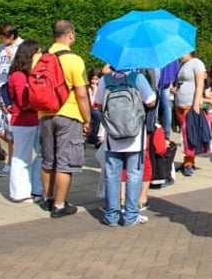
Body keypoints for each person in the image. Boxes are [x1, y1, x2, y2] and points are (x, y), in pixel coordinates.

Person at [38, 20, 91, 218]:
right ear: (70, 35)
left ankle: (48, 198)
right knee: (65, 161)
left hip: (44, 114)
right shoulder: (74, 60)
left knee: (47, 159)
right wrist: (87, 119)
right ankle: (60, 205)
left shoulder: (41, 58)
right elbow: (82, 95)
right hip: (68, 114)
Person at [95, 66, 157, 226]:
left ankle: (111, 216)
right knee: (134, 175)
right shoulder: (137, 78)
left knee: (112, 175)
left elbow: (99, 105)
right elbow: (150, 101)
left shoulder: (105, 80)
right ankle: (130, 216)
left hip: (113, 136)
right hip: (135, 135)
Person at [6, 40, 44, 203]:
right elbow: (22, 102)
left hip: (34, 120)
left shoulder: (28, 75)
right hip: (22, 121)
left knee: (41, 154)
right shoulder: (18, 76)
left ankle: (36, 188)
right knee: (21, 157)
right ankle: (19, 192)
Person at [0, 23, 22, 175]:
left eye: (3, 37)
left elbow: (25, 68)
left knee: (10, 128)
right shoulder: (1, 48)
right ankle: (15, 151)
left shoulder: (22, 46)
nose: (0, 40)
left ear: (12, 36)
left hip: (11, 90)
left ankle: (11, 162)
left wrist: (12, 58)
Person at [173, 51, 206, 176]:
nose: (180, 55)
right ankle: (187, 159)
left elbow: (200, 84)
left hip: (189, 104)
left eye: (183, 52)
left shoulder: (197, 63)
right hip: (179, 103)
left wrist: (196, 102)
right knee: (184, 134)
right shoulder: (182, 65)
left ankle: (189, 162)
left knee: (189, 134)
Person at [86, 67, 104, 145]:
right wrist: (94, 91)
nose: (94, 81)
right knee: (96, 114)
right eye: (92, 79)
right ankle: (93, 137)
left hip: (97, 109)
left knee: (99, 115)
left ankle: (98, 136)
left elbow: (99, 102)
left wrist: (96, 90)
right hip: (89, 109)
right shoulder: (87, 89)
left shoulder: (101, 88)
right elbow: (91, 102)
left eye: (96, 79)